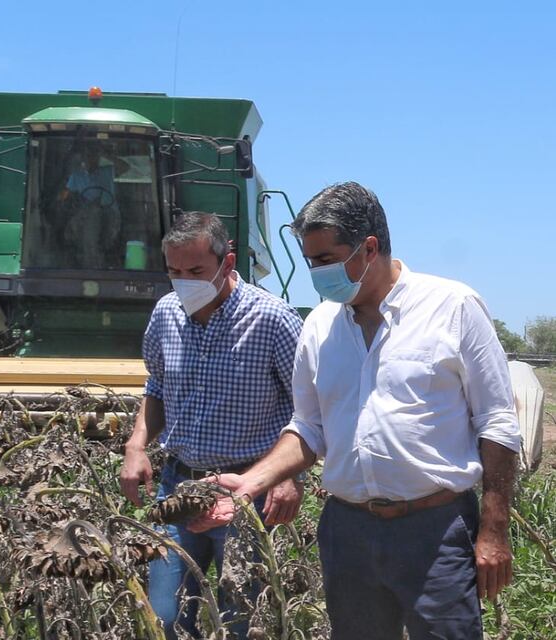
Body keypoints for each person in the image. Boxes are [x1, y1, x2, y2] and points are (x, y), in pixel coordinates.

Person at [190, 182, 521, 640]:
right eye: (310, 261)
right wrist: (252, 482)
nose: (316, 273)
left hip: (435, 530)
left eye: (326, 259)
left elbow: (497, 422)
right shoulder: (319, 326)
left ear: (369, 248)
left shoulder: (452, 307)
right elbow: (308, 428)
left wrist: (494, 528)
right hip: (348, 532)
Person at [119, 212, 305, 639]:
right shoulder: (166, 313)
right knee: (165, 617)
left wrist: (288, 475)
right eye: (175, 271)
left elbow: (308, 407)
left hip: (247, 490)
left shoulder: (272, 319)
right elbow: (157, 386)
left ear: (228, 262)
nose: (184, 281)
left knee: (241, 619)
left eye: (196, 271)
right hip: (179, 486)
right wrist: (136, 445)